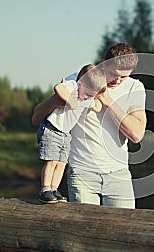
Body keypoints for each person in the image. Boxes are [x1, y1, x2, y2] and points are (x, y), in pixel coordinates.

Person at [32, 43, 147, 209]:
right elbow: (36, 117)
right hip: (81, 174)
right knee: (83, 232)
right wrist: (59, 101)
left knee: (125, 231)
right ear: (104, 63)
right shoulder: (81, 79)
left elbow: (137, 134)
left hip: (119, 174)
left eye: (124, 77)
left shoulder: (134, 87)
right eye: (114, 74)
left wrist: (107, 101)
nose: (118, 81)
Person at [36, 64, 106, 203]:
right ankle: (45, 189)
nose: (87, 98)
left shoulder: (88, 98)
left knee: (61, 163)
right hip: (52, 128)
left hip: (65, 134)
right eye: (87, 94)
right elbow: (58, 88)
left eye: (91, 95)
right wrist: (70, 100)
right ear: (80, 83)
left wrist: (97, 97)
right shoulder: (73, 87)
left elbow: (97, 107)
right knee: (52, 161)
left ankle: (54, 189)